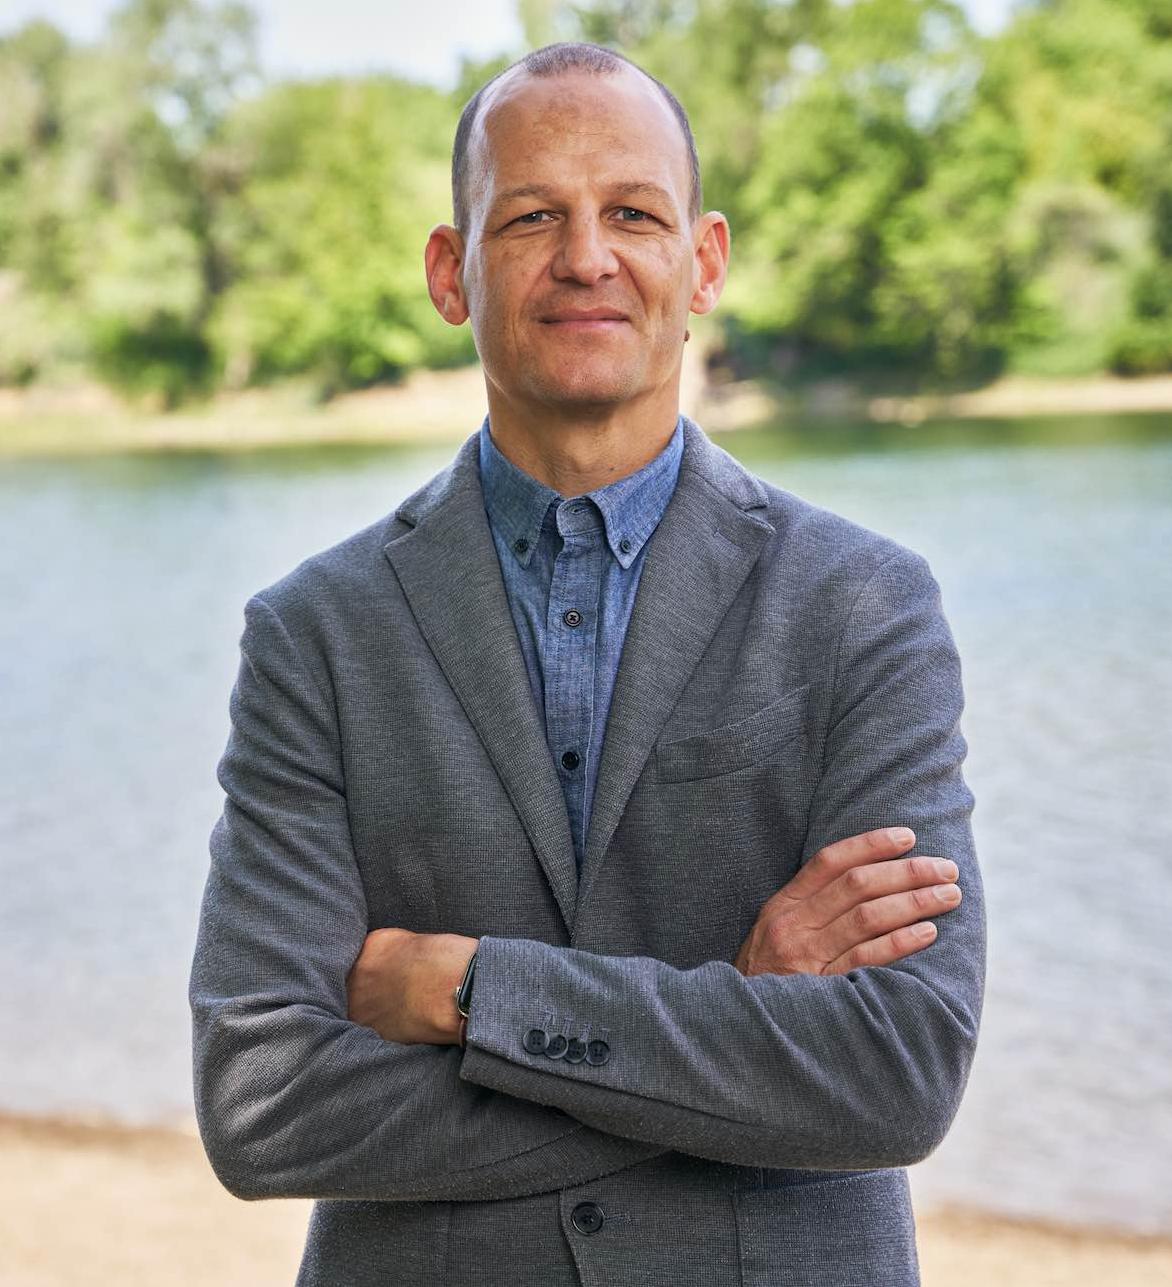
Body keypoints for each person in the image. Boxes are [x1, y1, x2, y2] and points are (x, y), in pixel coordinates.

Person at [189, 41, 984, 1287]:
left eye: (630, 212)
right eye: (529, 218)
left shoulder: (861, 606)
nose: (585, 257)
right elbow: (262, 1104)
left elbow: (894, 1072)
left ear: (701, 260)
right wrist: (729, 1013)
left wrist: (469, 994)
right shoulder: (314, 633)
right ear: (452, 273)